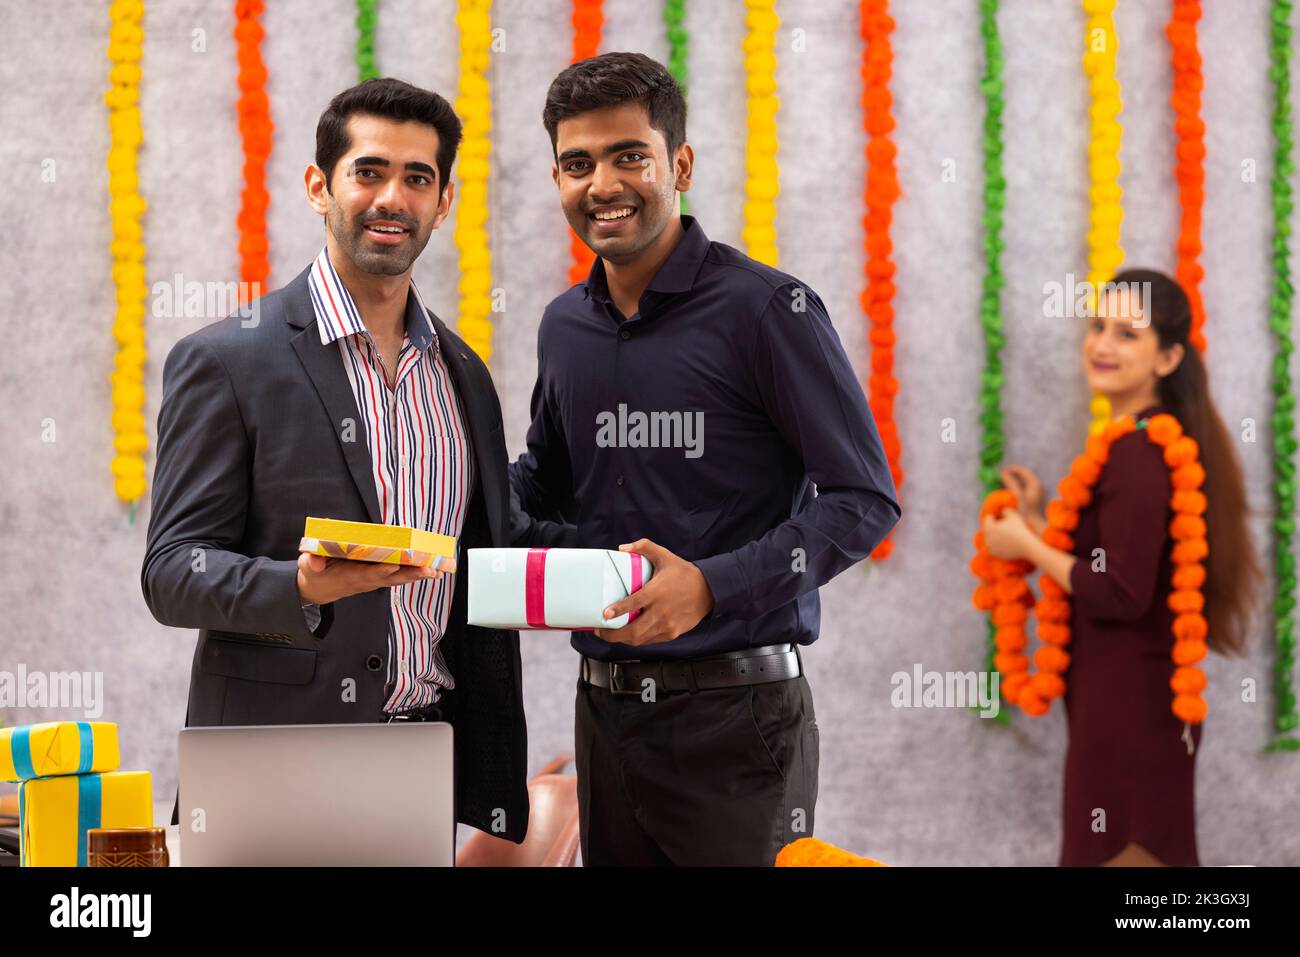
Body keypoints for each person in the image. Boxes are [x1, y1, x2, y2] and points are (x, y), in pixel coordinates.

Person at [142, 77, 573, 843]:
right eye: (368, 171)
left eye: (417, 178)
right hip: (271, 761)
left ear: (444, 202)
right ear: (319, 185)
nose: (392, 198)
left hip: (421, 758)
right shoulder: (227, 359)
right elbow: (172, 572)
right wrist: (299, 586)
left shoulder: (464, 374)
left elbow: (483, 553)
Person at [510, 52, 901, 866]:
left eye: (629, 156)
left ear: (679, 163)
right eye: (578, 164)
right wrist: (437, 499)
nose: (603, 183)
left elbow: (863, 500)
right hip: (603, 716)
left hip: (740, 724)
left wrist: (712, 584)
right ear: (557, 178)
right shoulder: (562, 327)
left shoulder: (768, 310)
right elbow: (541, 485)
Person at [982, 269, 1259, 866]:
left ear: (1168, 357)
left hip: (1131, 719)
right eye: (1098, 326)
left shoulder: (1139, 455)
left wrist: (1026, 548)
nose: (1103, 344)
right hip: (1120, 705)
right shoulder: (1136, 441)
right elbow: (1110, 567)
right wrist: (1034, 523)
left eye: (1127, 334)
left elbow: (1122, 592)